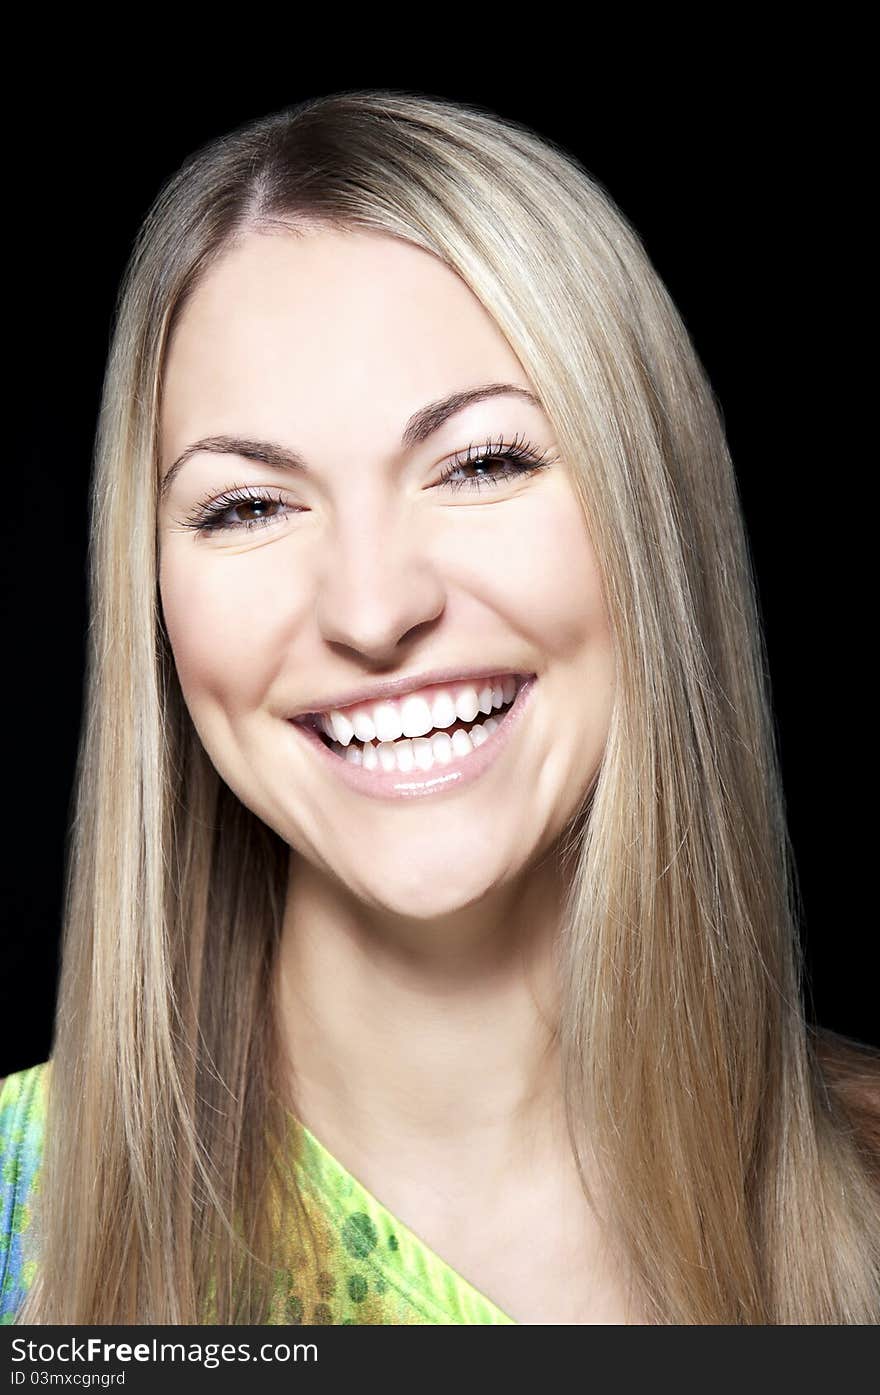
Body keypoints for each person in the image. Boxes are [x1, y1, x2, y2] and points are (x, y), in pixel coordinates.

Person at [1, 89, 878, 1327]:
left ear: (649, 514)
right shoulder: (13, 1215)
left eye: (481, 464)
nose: (371, 607)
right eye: (247, 505)